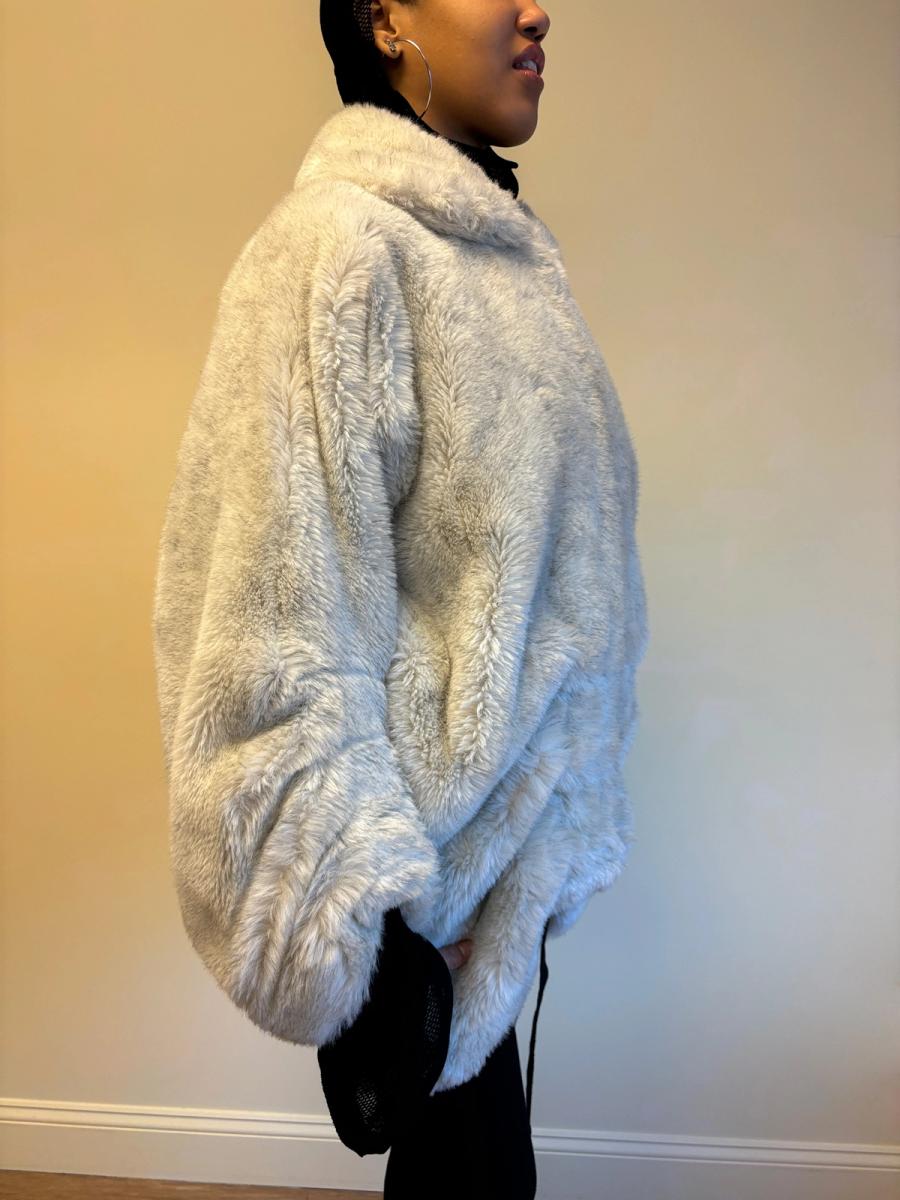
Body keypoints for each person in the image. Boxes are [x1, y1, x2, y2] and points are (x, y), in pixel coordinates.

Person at [151, 0, 648, 1196]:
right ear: (384, 19)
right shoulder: (336, 248)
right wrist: (364, 931)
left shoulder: (507, 270)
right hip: (422, 903)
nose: (536, 10)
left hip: (507, 875)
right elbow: (270, 607)